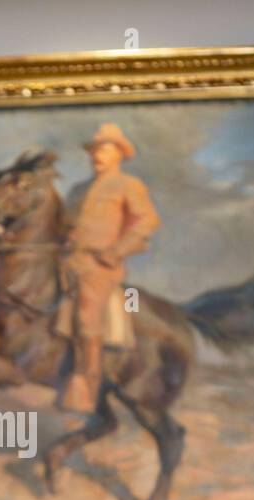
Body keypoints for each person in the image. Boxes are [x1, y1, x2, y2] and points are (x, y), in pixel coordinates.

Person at [59, 123, 161, 413]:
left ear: (119, 153)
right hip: (68, 261)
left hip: (99, 266)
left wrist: (116, 251)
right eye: (93, 150)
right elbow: (65, 225)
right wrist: (65, 238)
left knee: (86, 314)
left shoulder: (128, 185)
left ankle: (86, 390)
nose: (96, 155)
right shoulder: (78, 189)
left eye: (104, 149)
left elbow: (147, 222)